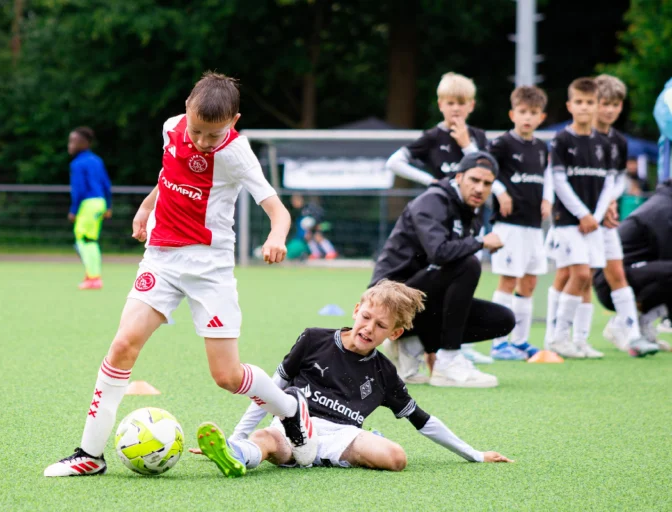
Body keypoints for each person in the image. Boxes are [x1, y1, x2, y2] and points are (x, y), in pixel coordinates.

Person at [44, 72, 316, 477]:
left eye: (214, 134)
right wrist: (146, 207)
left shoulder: (237, 153)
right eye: (197, 130)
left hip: (210, 268)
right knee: (122, 346)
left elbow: (277, 210)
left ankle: (291, 409)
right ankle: (90, 454)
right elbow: (169, 175)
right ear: (186, 109)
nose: (203, 141)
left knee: (227, 376)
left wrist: (276, 237)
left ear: (234, 121)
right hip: (161, 260)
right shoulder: (171, 127)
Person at [193, 280, 513, 477]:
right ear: (356, 310)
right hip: (294, 425)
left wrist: (474, 454)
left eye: (381, 326)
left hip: (341, 436)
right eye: (366, 317)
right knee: (266, 440)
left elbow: (422, 420)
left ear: (395, 333)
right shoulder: (313, 339)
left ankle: (324, 457)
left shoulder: (385, 373)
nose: (369, 328)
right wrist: (236, 438)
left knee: (396, 458)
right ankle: (236, 454)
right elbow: (270, 390)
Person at [370, 152, 515, 388]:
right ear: (459, 177)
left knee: (502, 320)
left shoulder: (471, 211)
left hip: (423, 297)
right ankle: (448, 361)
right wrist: (481, 242)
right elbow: (439, 252)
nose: (480, 188)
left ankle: (412, 343)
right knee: (468, 264)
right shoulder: (433, 201)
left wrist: (432, 347)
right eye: (474, 180)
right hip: (388, 297)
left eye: (487, 183)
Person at [383, 72, 495, 365]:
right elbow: (394, 162)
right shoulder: (433, 137)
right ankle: (432, 346)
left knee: (465, 270)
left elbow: (486, 170)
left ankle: (454, 343)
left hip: (468, 216)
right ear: (440, 104)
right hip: (440, 216)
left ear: (471, 105)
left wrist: (467, 144)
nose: (456, 108)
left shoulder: (478, 137)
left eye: (461, 102)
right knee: (449, 265)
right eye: (450, 102)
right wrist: (432, 181)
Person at [544, 77, 616, 359]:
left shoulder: (604, 143)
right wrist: (583, 214)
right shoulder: (561, 140)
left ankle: (580, 340)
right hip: (568, 220)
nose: (584, 107)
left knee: (588, 279)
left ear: (597, 105)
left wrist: (595, 216)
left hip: (592, 223)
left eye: (589, 102)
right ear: (569, 106)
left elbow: (609, 182)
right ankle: (558, 338)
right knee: (580, 273)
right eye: (579, 102)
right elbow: (559, 181)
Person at [487, 85, 552, 360]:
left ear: (541, 117)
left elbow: (547, 177)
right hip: (509, 225)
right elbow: (486, 171)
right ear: (513, 114)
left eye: (533, 112)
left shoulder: (541, 147)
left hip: (533, 226)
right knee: (508, 280)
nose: (528, 117)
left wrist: (547, 199)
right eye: (523, 111)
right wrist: (501, 192)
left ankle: (521, 341)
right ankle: (498, 343)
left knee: (529, 282)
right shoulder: (501, 144)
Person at [589, 75, 653, 354]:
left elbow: (615, 180)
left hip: (606, 219)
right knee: (575, 277)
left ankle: (631, 334)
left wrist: (611, 202)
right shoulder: (578, 137)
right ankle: (561, 338)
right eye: (605, 104)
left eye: (615, 105)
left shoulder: (618, 141)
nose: (610, 110)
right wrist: (599, 207)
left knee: (617, 272)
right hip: (580, 220)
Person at [593, 180, 672, 356]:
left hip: (631, 276)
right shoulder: (663, 210)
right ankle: (623, 323)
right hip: (610, 284)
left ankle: (642, 324)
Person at [67, 127, 112, 290]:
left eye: (73, 141)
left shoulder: (77, 164)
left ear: (84, 143)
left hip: (88, 203)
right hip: (100, 202)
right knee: (90, 239)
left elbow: (78, 190)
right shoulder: (96, 160)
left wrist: (73, 210)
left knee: (84, 240)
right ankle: (91, 275)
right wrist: (108, 205)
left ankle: (94, 277)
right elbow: (106, 184)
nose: (70, 145)